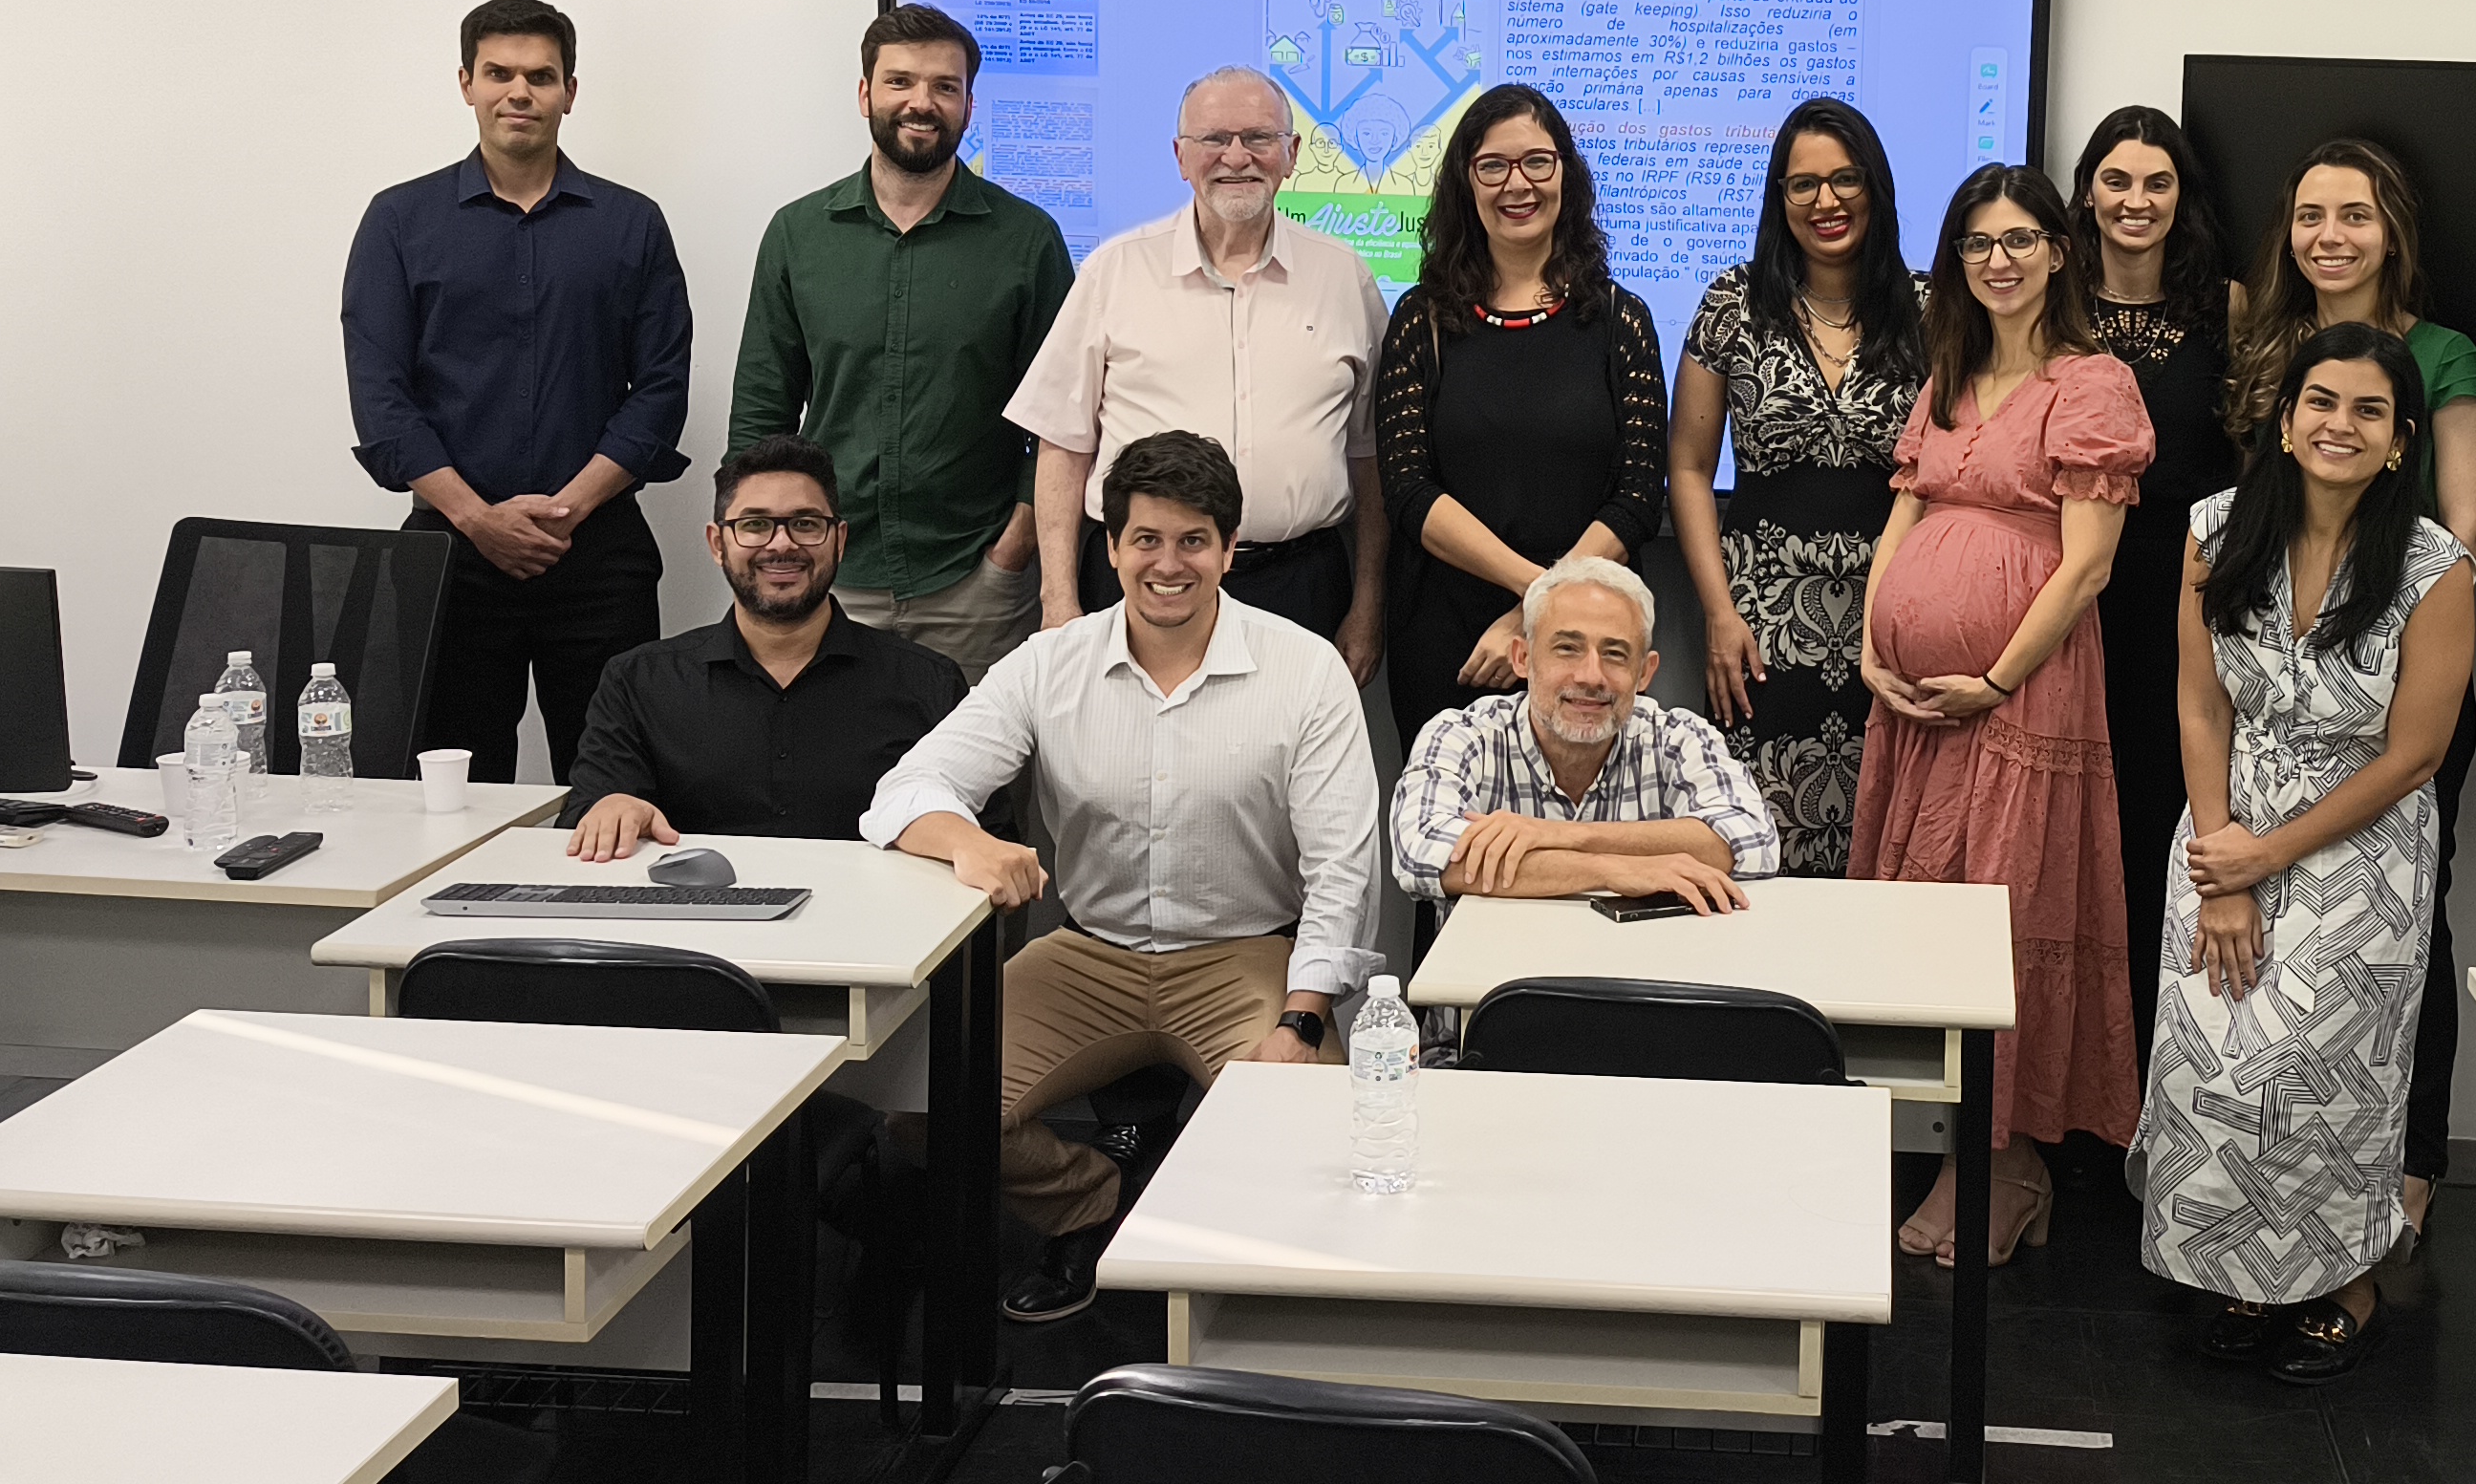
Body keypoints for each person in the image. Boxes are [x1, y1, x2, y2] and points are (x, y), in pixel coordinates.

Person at [860, 431, 1382, 1323]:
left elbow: (1343, 869)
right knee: (921, 1107)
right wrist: (967, 844)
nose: (1167, 565)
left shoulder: (1304, 670)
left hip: (1245, 956)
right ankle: (1093, 1202)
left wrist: (1303, 1020)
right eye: (1146, 539)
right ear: (1110, 546)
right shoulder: (1050, 664)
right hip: (1088, 955)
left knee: (1310, 1133)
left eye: (1192, 541)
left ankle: (1210, 1279)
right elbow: (904, 792)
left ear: (1229, 548)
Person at [2135, 324, 2475, 1386]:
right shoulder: (2213, 529)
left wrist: (2265, 857)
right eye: (2322, 402)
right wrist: (2222, 858)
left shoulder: (2434, 566)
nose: (2341, 425)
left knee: (2320, 1077)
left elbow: (2416, 754)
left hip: (2363, 849)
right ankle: (2242, 1272)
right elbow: (2200, 703)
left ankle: (2344, 1282)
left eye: (2370, 411)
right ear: (2285, 422)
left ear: (2399, 440)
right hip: (2225, 820)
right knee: (2217, 1061)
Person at [1852, 162, 2153, 1270]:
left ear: (2059, 251)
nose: (1999, 259)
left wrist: (1993, 679)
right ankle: (1960, 1151)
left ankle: (2008, 1163)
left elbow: (2085, 569)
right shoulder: (1949, 375)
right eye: (1977, 243)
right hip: (1915, 711)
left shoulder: (2093, 384)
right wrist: (1874, 647)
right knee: (1931, 916)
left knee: (2004, 912)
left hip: (2021, 698)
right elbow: (1904, 518)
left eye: (2020, 238)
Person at [2225, 137, 2476, 1246]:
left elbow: (2461, 532)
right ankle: (2265, 1188)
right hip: (2270, 689)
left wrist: (2358, 634)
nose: (2329, 236)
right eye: (2309, 215)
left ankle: (2406, 1166)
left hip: (2391, 683)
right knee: (2267, 935)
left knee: (2395, 939)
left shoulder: (2443, 354)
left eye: (2355, 215)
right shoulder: (2262, 346)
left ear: (2393, 232)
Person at [341, 0, 688, 782]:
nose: (519, 93)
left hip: (597, 555)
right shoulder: (399, 221)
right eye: (499, 74)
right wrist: (478, 519)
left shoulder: (632, 224)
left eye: (540, 76)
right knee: (450, 792)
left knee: (615, 784)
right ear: (466, 83)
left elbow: (662, 390)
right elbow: (382, 399)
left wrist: (563, 513)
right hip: (450, 558)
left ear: (570, 91)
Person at [730, 3, 1075, 688]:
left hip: (977, 584)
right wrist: (767, 544)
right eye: (900, 82)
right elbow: (762, 410)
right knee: (826, 756)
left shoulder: (1027, 240)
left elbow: (1064, 417)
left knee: (981, 760)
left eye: (945, 86)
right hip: (829, 579)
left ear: (969, 106)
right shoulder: (798, 234)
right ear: (865, 94)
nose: (922, 102)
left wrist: (1012, 550)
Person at [1006, 68, 1389, 683]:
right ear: (1181, 156)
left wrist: (1368, 604)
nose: (1236, 157)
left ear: (1292, 154)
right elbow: (1063, 445)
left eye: (1258, 137)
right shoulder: (1115, 272)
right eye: (1214, 139)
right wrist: (1058, 602)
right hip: (1141, 584)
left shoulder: (1345, 278)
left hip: (1299, 586)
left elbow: (1368, 458)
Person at [1667, 98, 1931, 879]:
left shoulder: (1931, 310)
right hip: (1762, 624)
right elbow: (1688, 467)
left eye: (1846, 179)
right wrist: (1718, 615)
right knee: (1757, 848)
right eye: (1803, 184)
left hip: (1892, 621)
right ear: (1779, 197)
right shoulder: (1734, 302)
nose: (1826, 201)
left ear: (1875, 188)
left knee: (1887, 850)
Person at [1371, 85, 1669, 742]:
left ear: (1566, 173)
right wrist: (1542, 595)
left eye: (1538, 161)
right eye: (1493, 166)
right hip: (1450, 637)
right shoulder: (1422, 319)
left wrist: (1542, 614)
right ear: (1465, 182)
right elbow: (1408, 491)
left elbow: (1639, 496)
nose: (1518, 184)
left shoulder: (1620, 320)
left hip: (1590, 640)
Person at [560, 437, 963, 858]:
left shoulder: (928, 683)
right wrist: (612, 807)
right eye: (755, 525)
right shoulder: (637, 683)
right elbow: (587, 818)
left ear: (839, 540)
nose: (782, 544)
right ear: (718, 544)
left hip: (875, 902)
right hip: (699, 902)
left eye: (806, 523)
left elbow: (984, 835)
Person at [2066, 105, 2243, 1065]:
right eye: (2117, 180)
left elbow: (2253, 461)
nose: (2136, 201)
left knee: (2158, 827)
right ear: (2087, 191)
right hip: (2067, 593)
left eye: (2157, 182)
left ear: (2183, 197)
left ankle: (2148, 1076)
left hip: (2187, 598)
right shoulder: (2050, 303)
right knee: (2071, 833)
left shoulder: (2229, 307)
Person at [1389, 560, 1777, 912]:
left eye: (1615, 654)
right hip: (1497, 967)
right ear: (1522, 658)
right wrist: (1612, 870)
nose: (1591, 676)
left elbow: (1753, 839)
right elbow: (1422, 852)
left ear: (1645, 672)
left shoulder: (1679, 737)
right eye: (1567, 649)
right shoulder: (1463, 735)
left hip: (1642, 962)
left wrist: (1559, 835)